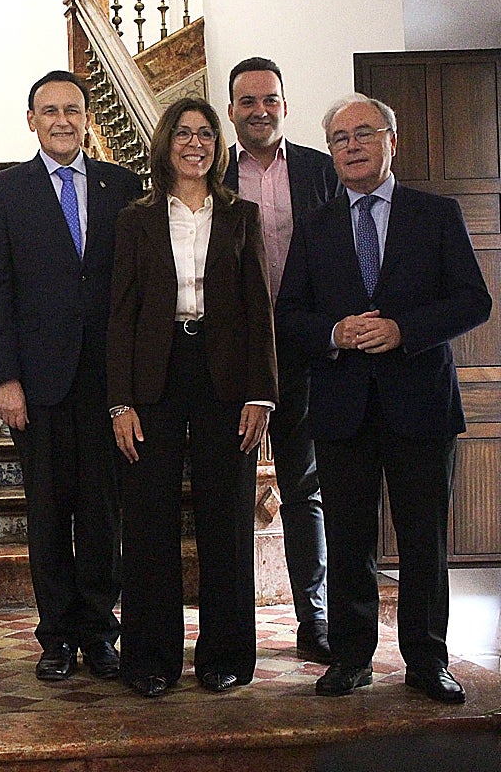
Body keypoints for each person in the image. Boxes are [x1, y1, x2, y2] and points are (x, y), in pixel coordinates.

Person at [276, 94, 491, 703]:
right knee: (348, 541)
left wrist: (404, 330)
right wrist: (334, 332)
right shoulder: (315, 226)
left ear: (390, 141)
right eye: (339, 139)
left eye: (362, 134)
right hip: (343, 408)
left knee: (424, 541)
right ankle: (350, 658)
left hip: (420, 403)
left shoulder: (435, 214)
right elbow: (290, 314)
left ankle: (427, 661)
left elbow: (473, 301)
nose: (351, 147)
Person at [108, 97, 277, 698]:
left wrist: (262, 394)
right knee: (149, 520)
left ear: (217, 144)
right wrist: (119, 403)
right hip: (155, 378)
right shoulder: (136, 219)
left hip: (225, 382)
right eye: (183, 133)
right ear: (166, 143)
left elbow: (260, 310)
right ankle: (151, 660)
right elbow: (121, 316)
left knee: (226, 520)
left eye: (205, 134)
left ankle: (226, 656)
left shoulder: (242, 217)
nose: (195, 143)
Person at [0, 70, 142, 681]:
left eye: (73, 109)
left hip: (107, 381)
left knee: (103, 512)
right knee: (48, 513)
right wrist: (6, 379)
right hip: (36, 384)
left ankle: (100, 632)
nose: (63, 121)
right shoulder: (1, 194)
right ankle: (55, 639)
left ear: (88, 116)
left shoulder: (122, 186)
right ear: (31, 120)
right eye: (50, 110)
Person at [222, 57, 340, 663]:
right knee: (228, 493)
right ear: (232, 108)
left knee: (304, 490)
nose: (259, 110)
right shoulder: (211, 176)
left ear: (284, 105)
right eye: (247, 101)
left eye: (269, 100)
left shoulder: (323, 173)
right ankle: (231, 627)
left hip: (305, 353)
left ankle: (314, 619)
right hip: (231, 356)